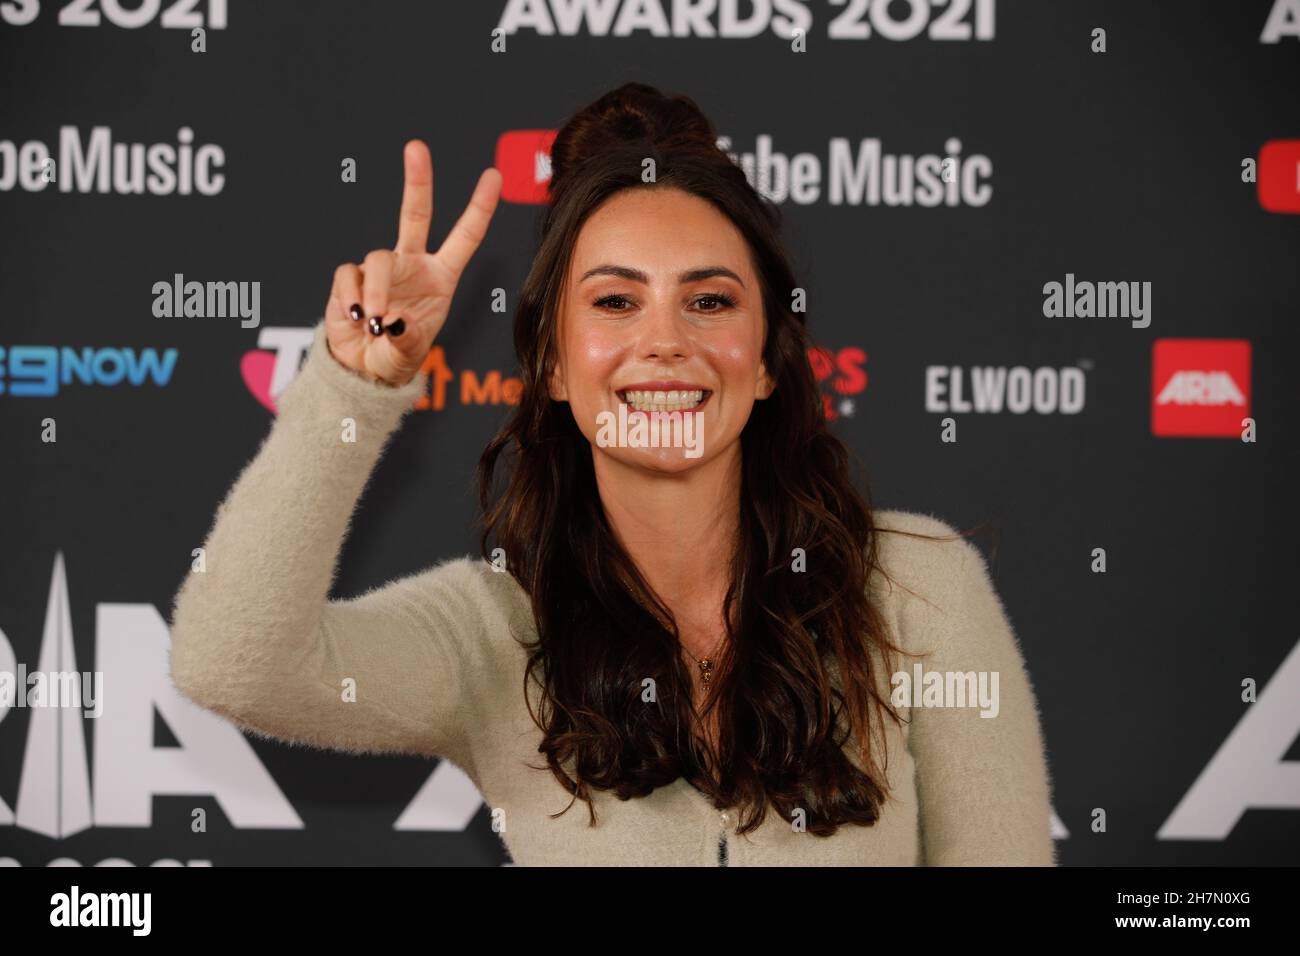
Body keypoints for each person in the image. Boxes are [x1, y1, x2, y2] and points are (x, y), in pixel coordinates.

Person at [168, 82, 1055, 866]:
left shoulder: (917, 590)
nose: (664, 342)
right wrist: (356, 385)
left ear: (767, 362)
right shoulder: (495, 631)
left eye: (709, 301)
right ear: (553, 363)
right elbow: (231, 664)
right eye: (615, 301)